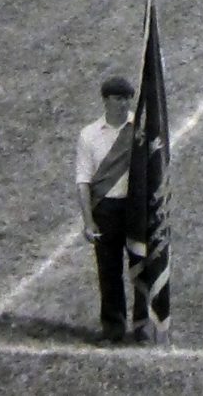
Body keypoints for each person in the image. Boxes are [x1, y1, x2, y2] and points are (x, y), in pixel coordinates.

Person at [75, 75, 139, 344]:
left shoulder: (140, 128)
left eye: (126, 98)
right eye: (117, 99)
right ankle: (113, 330)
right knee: (109, 272)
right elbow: (83, 182)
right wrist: (89, 222)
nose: (122, 104)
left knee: (142, 266)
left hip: (136, 206)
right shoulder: (89, 135)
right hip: (107, 209)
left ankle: (144, 327)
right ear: (105, 101)